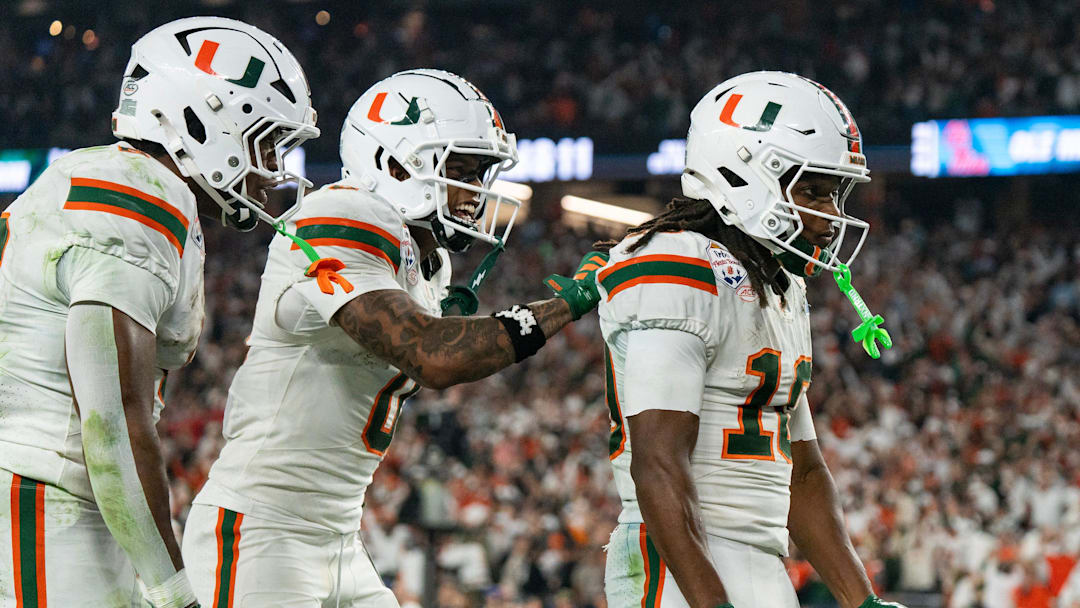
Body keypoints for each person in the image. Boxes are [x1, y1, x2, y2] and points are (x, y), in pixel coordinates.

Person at [181, 69, 604, 607]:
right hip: (262, 531)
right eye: (462, 168)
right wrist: (562, 305)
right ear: (396, 162)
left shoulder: (429, 261)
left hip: (337, 538)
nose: (477, 188)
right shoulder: (342, 213)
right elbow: (430, 355)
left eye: (482, 170)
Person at [0, 17, 318, 607]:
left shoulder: (133, 185)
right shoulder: (138, 195)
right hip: (38, 495)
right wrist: (176, 592)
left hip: (58, 495)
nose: (273, 166)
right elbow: (113, 421)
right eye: (265, 139)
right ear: (202, 118)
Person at [596, 71, 906, 608]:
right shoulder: (681, 264)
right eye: (811, 191)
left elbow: (803, 475)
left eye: (833, 195)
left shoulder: (778, 286)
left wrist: (864, 603)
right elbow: (659, 463)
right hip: (678, 567)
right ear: (741, 175)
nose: (830, 217)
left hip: (762, 565)